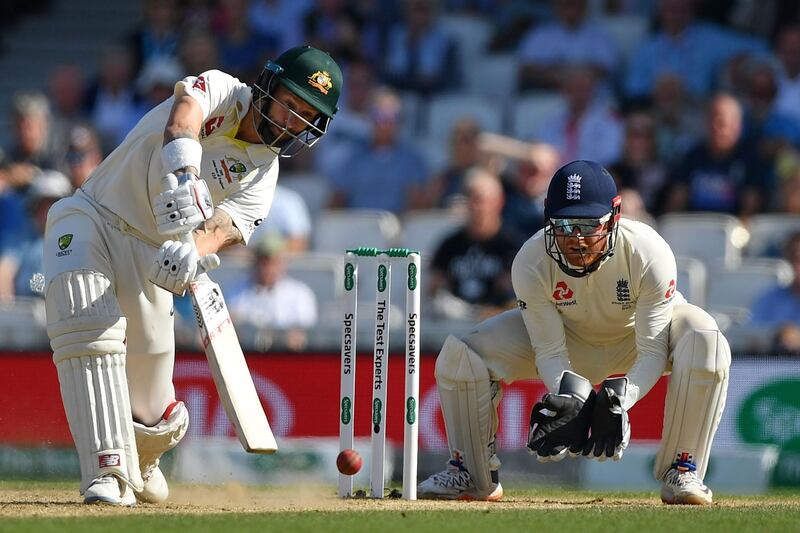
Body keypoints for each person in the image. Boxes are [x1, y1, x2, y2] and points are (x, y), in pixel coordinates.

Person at [42, 46, 342, 506]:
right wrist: (186, 173)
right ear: (267, 85)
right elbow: (182, 120)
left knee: (151, 403)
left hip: (151, 253)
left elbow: (224, 229)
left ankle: (144, 454)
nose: (291, 121)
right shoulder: (225, 90)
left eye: (305, 116)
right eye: (290, 102)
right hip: (94, 212)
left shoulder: (264, 176)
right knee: (87, 323)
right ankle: (108, 471)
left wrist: (191, 250)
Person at [418, 160, 730, 505]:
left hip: (635, 339)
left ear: (614, 216)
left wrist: (618, 401)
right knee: (462, 355)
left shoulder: (648, 252)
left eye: (587, 225)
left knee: (706, 340)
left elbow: (653, 350)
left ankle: (682, 469)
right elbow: (550, 352)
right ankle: (472, 474)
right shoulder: (531, 261)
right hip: (569, 341)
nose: (576, 239)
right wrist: (572, 397)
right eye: (564, 225)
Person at [429, 169, 522, 321]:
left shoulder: (513, 246)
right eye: (469, 198)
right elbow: (434, 287)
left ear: (498, 201)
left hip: (498, 324)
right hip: (454, 322)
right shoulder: (449, 244)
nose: (474, 206)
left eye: (479, 199)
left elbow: (516, 295)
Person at [229, 235, 318, 350]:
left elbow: (306, 335)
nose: (268, 267)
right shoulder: (235, 290)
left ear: (283, 263)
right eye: (263, 261)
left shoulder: (300, 294)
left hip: (286, 359)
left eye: (274, 261)